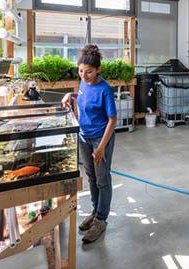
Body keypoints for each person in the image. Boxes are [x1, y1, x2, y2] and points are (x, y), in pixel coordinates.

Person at [62, 45, 117, 244]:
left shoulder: (105, 90)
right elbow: (83, 97)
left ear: (98, 69)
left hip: (100, 139)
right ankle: (95, 211)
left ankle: (101, 220)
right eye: (81, 71)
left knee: (102, 179)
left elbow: (112, 119)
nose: (84, 75)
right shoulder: (83, 83)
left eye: (89, 72)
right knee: (91, 177)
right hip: (84, 137)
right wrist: (71, 95)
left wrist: (101, 147)